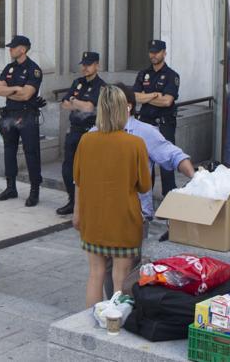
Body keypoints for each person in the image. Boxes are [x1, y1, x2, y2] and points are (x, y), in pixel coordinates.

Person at [101, 83, 197, 298]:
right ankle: (112, 309)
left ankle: (124, 311)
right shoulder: (95, 133)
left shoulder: (144, 133)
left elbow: (173, 155)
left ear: (128, 106)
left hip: (132, 214)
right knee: (106, 268)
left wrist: (197, 179)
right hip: (103, 213)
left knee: (126, 269)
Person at [73, 85, 151, 307]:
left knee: (95, 274)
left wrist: (77, 213)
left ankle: (88, 322)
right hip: (124, 221)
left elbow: (78, 180)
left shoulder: (86, 141)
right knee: (120, 278)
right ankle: (115, 323)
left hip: (93, 219)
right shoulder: (135, 144)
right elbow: (145, 186)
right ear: (122, 110)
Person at [0, 34, 44, 206]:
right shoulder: (9, 68)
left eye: (13, 47)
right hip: (9, 114)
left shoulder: (33, 69)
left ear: (22, 49)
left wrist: (10, 90)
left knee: (31, 153)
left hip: (27, 115)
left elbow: (27, 94)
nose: (10, 49)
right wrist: (16, 88)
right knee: (9, 151)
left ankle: (34, 191)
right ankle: (11, 187)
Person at [57, 51, 105, 216]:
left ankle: (88, 203)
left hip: (90, 132)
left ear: (97, 65)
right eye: (83, 64)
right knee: (68, 168)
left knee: (89, 170)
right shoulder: (77, 82)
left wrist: (74, 102)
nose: (85, 68)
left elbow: (89, 108)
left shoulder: (101, 86)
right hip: (75, 130)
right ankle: (73, 200)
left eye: (89, 64)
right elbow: (63, 104)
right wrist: (78, 103)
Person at [133, 40, 180, 195]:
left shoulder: (171, 75)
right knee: (144, 166)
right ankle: (145, 202)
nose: (153, 55)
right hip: (145, 124)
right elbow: (134, 97)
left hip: (164, 125)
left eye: (157, 52)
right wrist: (153, 95)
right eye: (151, 52)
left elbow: (167, 101)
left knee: (166, 163)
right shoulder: (143, 74)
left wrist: (145, 97)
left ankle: (169, 201)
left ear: (164, 53)